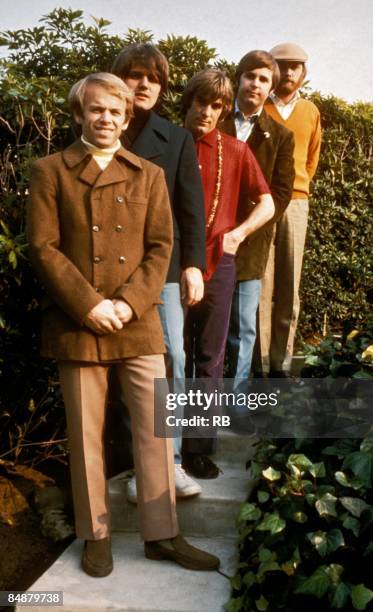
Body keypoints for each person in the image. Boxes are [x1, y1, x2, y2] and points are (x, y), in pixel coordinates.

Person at [27, 72, 219, 576]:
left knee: (156, 428)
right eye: (96, 110)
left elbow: (161, 248)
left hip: (137, 321)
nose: (106, 118)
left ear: (126, 117)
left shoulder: (148, 175)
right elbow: (43, 248)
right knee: (87, 431)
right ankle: (96, 535)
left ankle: (163, 535)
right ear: (79, 116)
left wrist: (131, 304)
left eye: (115, 111)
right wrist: (89, 304)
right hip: (78, 319)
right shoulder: (50, 171)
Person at [111, 43, 206, 501]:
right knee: (127, 369)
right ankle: (138, 468)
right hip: (110, 274)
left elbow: (191, 209)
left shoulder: (177, 139)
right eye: (134, 75)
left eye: (153, 78)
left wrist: (193, 266)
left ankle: (173, 463)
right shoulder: (101, 132)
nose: (144, 84)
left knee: (174, 360)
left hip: (164, 269)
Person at [181, 68, 275, 478]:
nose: (207, 111)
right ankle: (157, 451)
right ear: (188, 101)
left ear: (224, 109)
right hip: (171, 264)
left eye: (217, 105)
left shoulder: (236, 150)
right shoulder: (170, 143)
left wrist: (238, 233)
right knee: (169, 357)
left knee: (210, 357)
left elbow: (267, 203)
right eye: (201, 101)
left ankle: (199, 447)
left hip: (219, 264)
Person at [220, 50, 294, 384]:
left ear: (270, 89)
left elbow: (280, 194)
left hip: (250, 243)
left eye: (264, 80)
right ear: (239, 79)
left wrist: (244, 230)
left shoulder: (281, 137)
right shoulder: (212, 119)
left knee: (243, 327)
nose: (255, 84)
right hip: (207, 240)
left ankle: (236, 403)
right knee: (200, 325)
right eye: (251, 76)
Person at [259, 43, 321, 376]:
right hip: (261, 203)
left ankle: (281, 366)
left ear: (303, 72)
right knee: (261, 284)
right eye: (283, 66)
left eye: (296, 66)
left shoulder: (310, 111)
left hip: (296, 202)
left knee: (289, 285)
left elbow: (311, 159)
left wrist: (297, 188)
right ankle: (261, 366)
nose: (290, 72)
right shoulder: (258, 108)